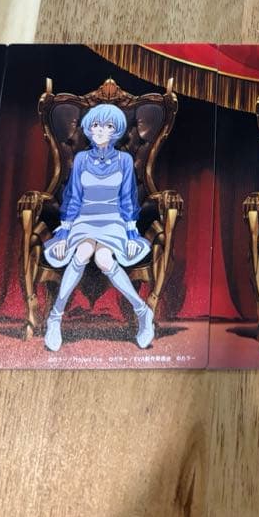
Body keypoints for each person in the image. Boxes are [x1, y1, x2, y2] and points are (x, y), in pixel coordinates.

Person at [42, 103, 154, 351]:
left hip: (113, 219)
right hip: (84, 219)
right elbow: (73, 197)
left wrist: (130, 233)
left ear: (116, 131)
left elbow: (128, 199)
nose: (101, 130)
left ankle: (142, 311)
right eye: (96, 125)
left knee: (103, 259)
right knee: (82, 252)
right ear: (89, 129)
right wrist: (64, 233)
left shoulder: (125, 160)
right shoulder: (81, 159)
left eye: (108, 125)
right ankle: (55, 317)